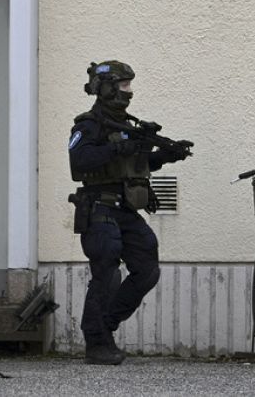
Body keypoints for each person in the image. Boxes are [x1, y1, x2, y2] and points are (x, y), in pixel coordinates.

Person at [68, 60, 192, 365]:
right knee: (106, 270)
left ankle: (104, 325)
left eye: (129, 86)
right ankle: (96, 343)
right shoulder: (89, 125)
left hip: (123, 207)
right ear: (107, 88)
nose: (129, 92)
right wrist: (117, 148)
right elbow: (79, 162)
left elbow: (136, 165)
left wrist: (165, 156)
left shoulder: (128, 125)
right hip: (99, 205)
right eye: (124, 86)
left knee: (147, 267)